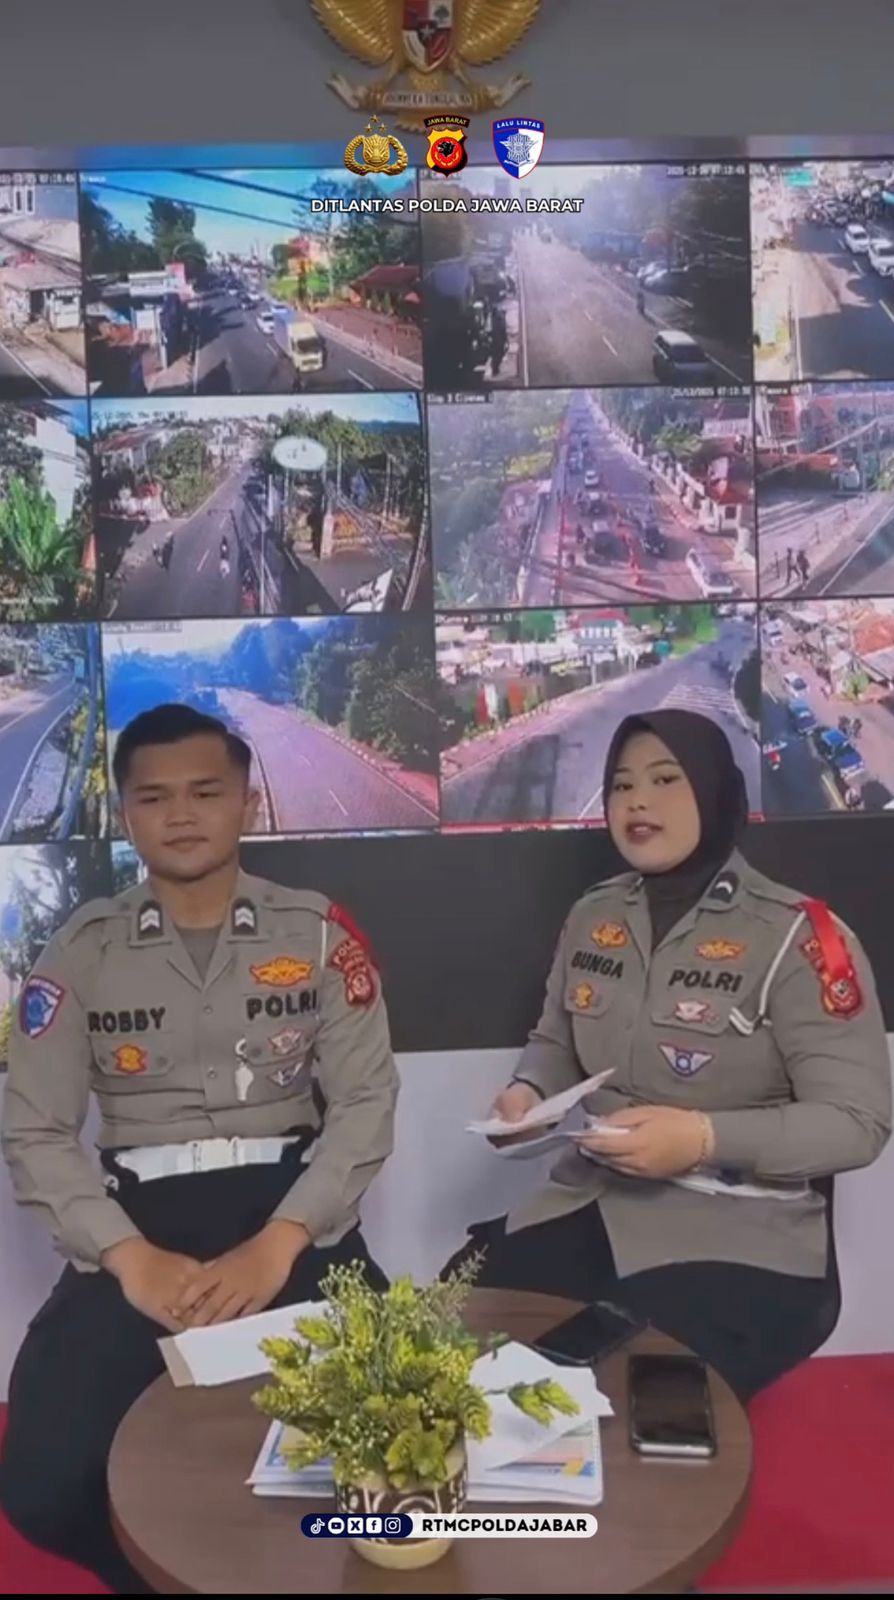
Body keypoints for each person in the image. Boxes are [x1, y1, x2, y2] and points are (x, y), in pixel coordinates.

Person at [0, 704, 397, 1592]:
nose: (181, 814)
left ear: (248, 804)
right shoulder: (81, 952)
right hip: (141, 1232)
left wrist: (278, 1244)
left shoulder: (318, 934)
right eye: (155, 797)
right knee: (44, 1480)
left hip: (289, 1222)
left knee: (392, 1448)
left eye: (206, 792)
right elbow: (35, 1129)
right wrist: (129, 1260)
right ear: (126, 814)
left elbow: (366, 1103)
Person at [444, 710, 890, 1403]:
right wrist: (527, 1096)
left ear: (714, 792)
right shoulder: (593, 916)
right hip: (590, 1201)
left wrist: (703, 1138)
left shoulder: (799, 937)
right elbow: (556, 1043)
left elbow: (857, 1123)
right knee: (448, 1344)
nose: (638, 802)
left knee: (619, 1403)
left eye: (664, 780)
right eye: (622, 786)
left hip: (736, 1233)